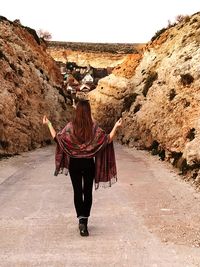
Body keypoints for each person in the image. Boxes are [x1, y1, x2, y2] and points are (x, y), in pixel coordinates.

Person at [43, 99, 122, 237]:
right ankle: (84, 221)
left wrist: (48, 123)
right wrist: (116, 126)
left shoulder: (70, 127)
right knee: (88, 192)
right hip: (88, 164)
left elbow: (58, 138)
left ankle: (81, 219)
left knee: (77, 192)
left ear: (77, 111)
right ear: (89, 111)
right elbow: (107, 139)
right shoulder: (94, 128)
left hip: (74, 164)